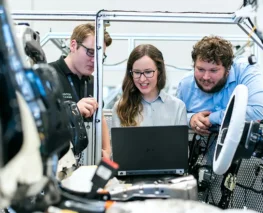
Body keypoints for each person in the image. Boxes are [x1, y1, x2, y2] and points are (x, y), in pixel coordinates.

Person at [177, 36, 263, 135]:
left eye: (213, 70)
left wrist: (212, 118)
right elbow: (175, 117)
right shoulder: (185, 85)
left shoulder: (245, 72)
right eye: (200, 69)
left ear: (228, 70)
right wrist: (191, 119)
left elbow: (260, 111)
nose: (205, 77)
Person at [49, 23, 112, 159]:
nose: (94, 60)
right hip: (58, 161)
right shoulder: (48, 76)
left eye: (100, 56)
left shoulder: (93, 82)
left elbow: (100, 117)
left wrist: (106, 150)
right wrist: (74, 111)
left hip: (87, 162)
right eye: (90, 52)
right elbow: (40, 123)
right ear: (73, 45)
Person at [112, 44, 187, 127]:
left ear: (159, 71)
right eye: (137, 72)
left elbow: (179, 140)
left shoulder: (178, 107)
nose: (142, 79)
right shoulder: (120, 108)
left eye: (148, 72)